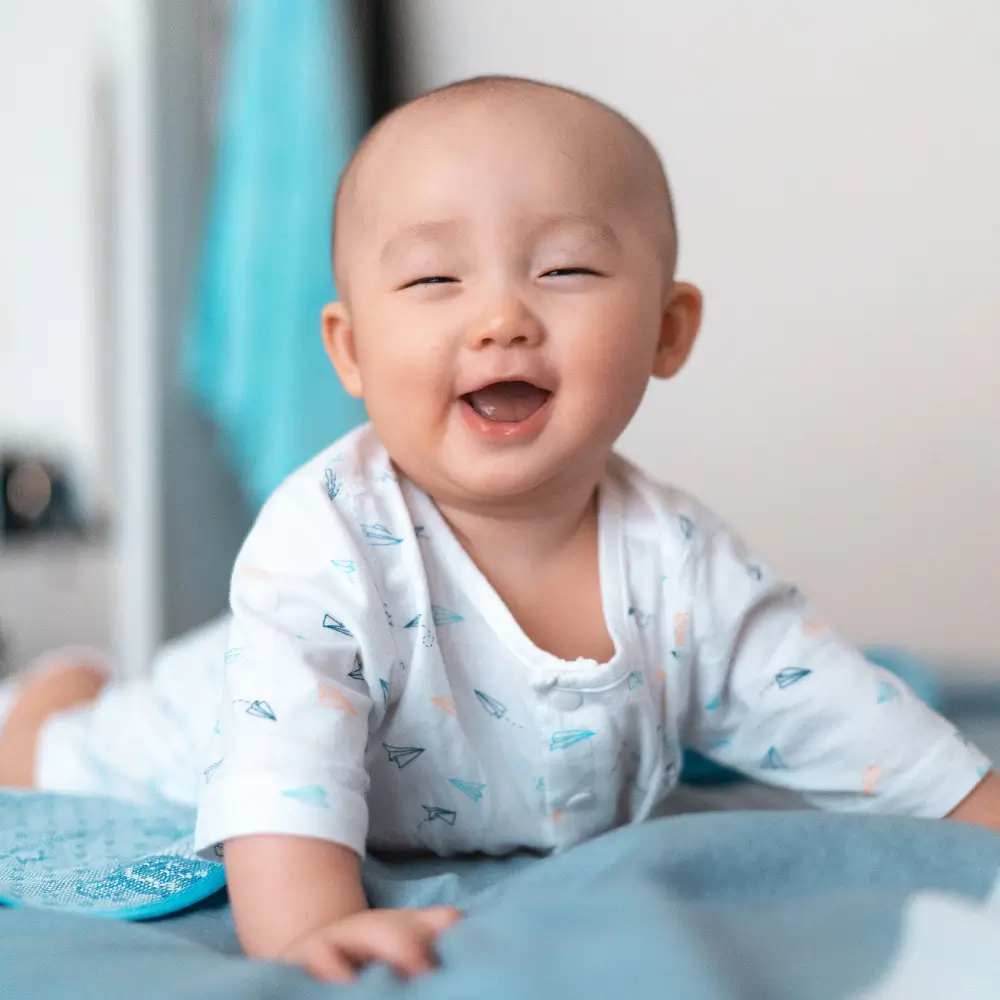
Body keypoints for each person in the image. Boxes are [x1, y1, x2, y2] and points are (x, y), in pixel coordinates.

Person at [0, 76, 997, 983]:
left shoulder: (684, 565)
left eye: (563, 270)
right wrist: (307, 932)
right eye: (436, 281)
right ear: (350, 349)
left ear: (667, 329)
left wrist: (977, 809)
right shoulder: (324, 542)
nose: (500, 318)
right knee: (61, 750)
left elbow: (850, 723)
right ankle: (48, 700)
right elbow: (277, 777)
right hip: (221, 716)